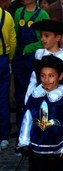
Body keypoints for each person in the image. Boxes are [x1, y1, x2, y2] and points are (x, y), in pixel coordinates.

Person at [17, 55, 63, 171]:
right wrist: (24, 141)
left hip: (58, 150)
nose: (46, 80)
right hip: (36, 148)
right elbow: (27, 119)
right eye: (43, 76)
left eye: (51, 76)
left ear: (60, 76)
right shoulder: (35, 95)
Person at [11, 0, 49, 130]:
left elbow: (46, 39)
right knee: (19, 94)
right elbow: (14, 35)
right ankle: (20, 126)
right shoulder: (17, 12)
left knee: (33, 91)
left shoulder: (43, 14)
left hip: (34, 58)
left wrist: (29, 47)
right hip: (19, 59)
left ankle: (34, 126)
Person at [24, 19, 63, 104]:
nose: (43, 39)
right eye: (41, 35)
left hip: (60, 100)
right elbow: (33, 80)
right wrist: (28, 100)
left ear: (57, 37)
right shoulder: (38, 55)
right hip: (39, 97)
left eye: (46, 36)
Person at [0, 0, 16, 150]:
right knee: (3, 99)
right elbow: (12, 40)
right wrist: (9, 57)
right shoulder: (7, 16)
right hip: (3, 60)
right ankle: (3, 136)